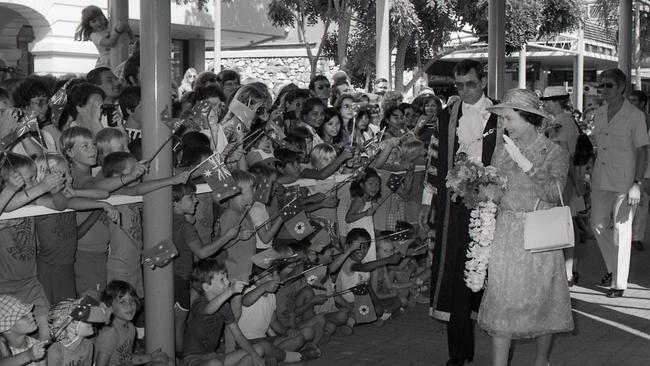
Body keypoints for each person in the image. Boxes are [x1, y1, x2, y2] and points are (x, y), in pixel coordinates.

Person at [478, 88, 574, 366]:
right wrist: (479, 187)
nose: (505, 125)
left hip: (538, 234)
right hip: (506, 232)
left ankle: (541, 360)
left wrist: (527, 165)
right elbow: (496, 190)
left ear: (528, 118)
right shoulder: (502, 149)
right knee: (502, 299)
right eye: (503, 119)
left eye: (509, 119)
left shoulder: (553, 151)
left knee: (541, 302)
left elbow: (553, 193)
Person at [418, 59, 501, 366]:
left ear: (483, 82)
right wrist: (429, 203)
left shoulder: (499, 116)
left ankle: (498, 348)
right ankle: (458, 351)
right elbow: (435, 161)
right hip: (454, 210)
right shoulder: (447, 114)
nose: (465, 91)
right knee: (455, 275)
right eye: (459, 85)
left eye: (471, 84)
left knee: (490, 276)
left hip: (492, 207)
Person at [590, 68, 649, 298]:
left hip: (625, 181)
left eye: (608, 85)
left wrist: (638, 183)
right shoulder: (599, 113)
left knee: (622, 231)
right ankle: (613, 267)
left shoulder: (635, 116)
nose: (603, 89)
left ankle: (619, 282)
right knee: (597, 224)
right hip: (601, 177)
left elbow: (642, 151)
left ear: (622, 87)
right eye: (601, 85)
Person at [183, 259, 267, 366]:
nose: (228, 282)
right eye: (222, 280)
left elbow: (238, 335)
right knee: (215, 364)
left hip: (213, 356)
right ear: (206, 287)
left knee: (258, 349)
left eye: (227, 277)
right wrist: (230, 291)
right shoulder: (199, 303)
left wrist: (255, 356)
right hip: (193, 360)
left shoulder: (225, 307)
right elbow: (209, 309)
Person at [541, 86, 582, 286]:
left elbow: (565, 156)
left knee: (565, 225)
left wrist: (575, 181)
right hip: (562, 178)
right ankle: (569, 269)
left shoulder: (561, 122)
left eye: (547, 101)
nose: (545, 104)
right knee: (566, 224)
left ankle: (567, 271)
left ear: (557, 101)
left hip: (561, 178)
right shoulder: (562, 120)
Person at [95, 280, 170, 366]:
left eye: (131, 300)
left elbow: (127, 358)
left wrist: (151, 357)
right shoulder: (110, 334)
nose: (129, 305)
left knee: (166, 361)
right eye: (122, 302)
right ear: (110, 306)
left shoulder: (130, 328)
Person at [629, 90, 650, 251]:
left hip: (645, 168)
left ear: (642, 103)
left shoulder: (646, 120)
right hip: (628, 166)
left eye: (634, 100)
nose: (631, 103)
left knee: (642, 204)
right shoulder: (629, 120)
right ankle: (627, 235)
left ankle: (637, 237)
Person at [0, 295, 48, 366]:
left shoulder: (36, 346)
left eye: (28, 311)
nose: (31, 314)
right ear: (7, 329)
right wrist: (28, 355)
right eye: (23, 316)